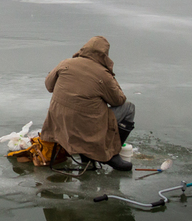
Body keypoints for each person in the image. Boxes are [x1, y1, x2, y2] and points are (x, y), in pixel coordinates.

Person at [40, 36, 135, 171]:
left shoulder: (65, 63)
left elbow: (49, 86)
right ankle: (111, 154)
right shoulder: (103, 74)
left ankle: (87, 155)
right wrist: (110, 76)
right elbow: (118, 100)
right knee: (129, 108)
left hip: (58, 125)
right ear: (104, 55)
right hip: (86, 128)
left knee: (83, 109)